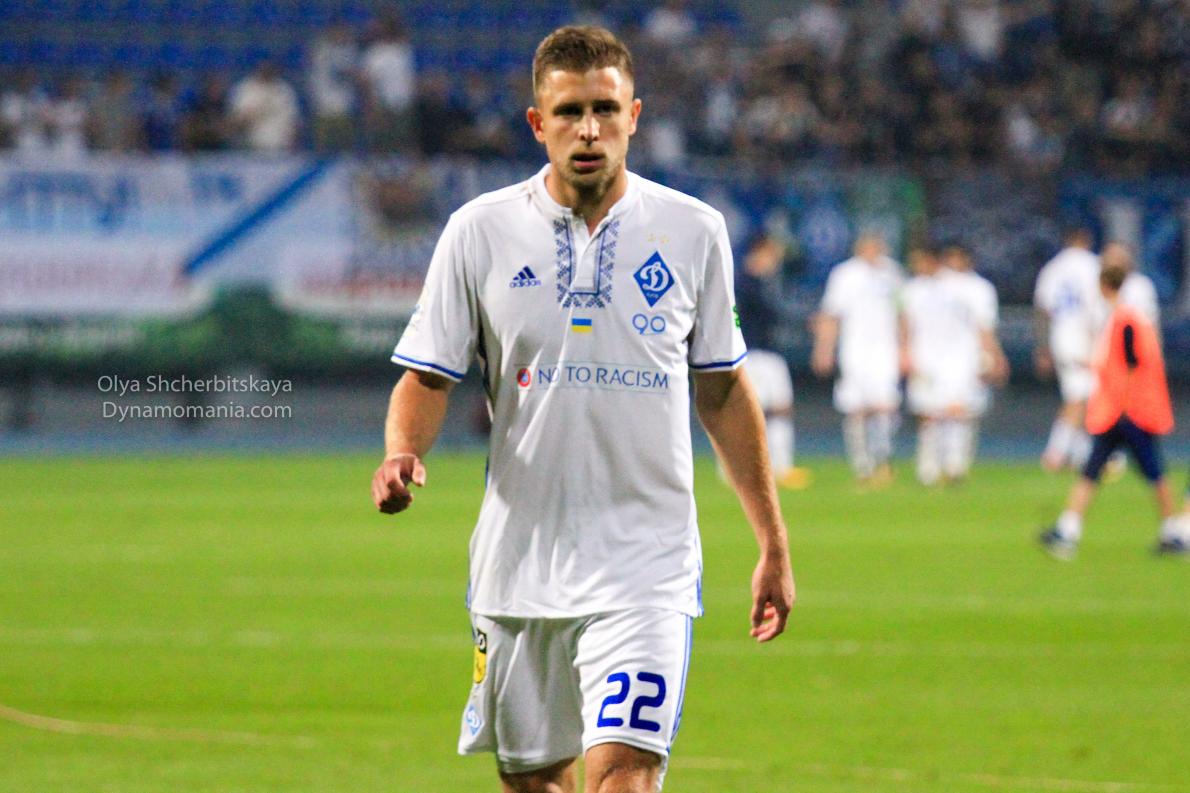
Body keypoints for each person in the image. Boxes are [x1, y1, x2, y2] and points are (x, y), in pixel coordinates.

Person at [371, 26, 795, 793]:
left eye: (606, 108)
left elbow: (723, 389)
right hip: (519, 563)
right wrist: (403, 450)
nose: (590, 129)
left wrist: (772, 539)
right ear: (539, 123)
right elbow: (427, 376)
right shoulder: (480, 231)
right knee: (534, 780)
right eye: (570, 112)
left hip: (647, 562)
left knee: (623, 775)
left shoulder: (694, 231)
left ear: (635, 115)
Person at [1039, 253, 1178, 559]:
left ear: (1103, 286)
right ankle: (1067, 530)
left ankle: (1173, 531)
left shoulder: (1125, 321)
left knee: (1152, 472)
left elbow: (1131, 366)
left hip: (1126, 412)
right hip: (1119, 412)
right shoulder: (1125, 318)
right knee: (1095, 470)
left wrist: (1124, 403)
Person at [811, 232, 903, 486]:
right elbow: (831, 314)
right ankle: (862, 465)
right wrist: (824, 350)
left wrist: (906, 348)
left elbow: (902, 314)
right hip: (855, 350)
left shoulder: (893, 273)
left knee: (886, 407)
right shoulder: (845, 274)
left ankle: (883, 458)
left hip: (886, 350)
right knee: (856, 409)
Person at [734, 232, 812, 490]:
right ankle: (741, 468)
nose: (776, 259)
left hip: (767, 353)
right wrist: (804, 319)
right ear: (761, 251)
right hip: (753, 354)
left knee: (778, 409)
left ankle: (780, 467)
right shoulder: (745, 283)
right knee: (754, 412)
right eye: (773, 253)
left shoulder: (762, 282)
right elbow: (767, 312)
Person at [935, 242, 1009, 483]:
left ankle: (956, 464)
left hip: (968, 357)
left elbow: (985, 327)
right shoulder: (935, 284)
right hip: (936, 356)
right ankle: (938, 463)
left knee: (966, 411)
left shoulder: (979, 288)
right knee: (937, 411)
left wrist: (994, 356)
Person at [1033, 226, 1100, 472]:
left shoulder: (1052, 268)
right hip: (1085, 338)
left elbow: (1042, 310)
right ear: (1086, 240)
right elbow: (1099, 307)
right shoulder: (1094, 265)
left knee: (1083, 396)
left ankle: (1083, 454)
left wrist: (1043, 347)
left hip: (1060, 338)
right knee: (1080, 397)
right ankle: (1055, 453)